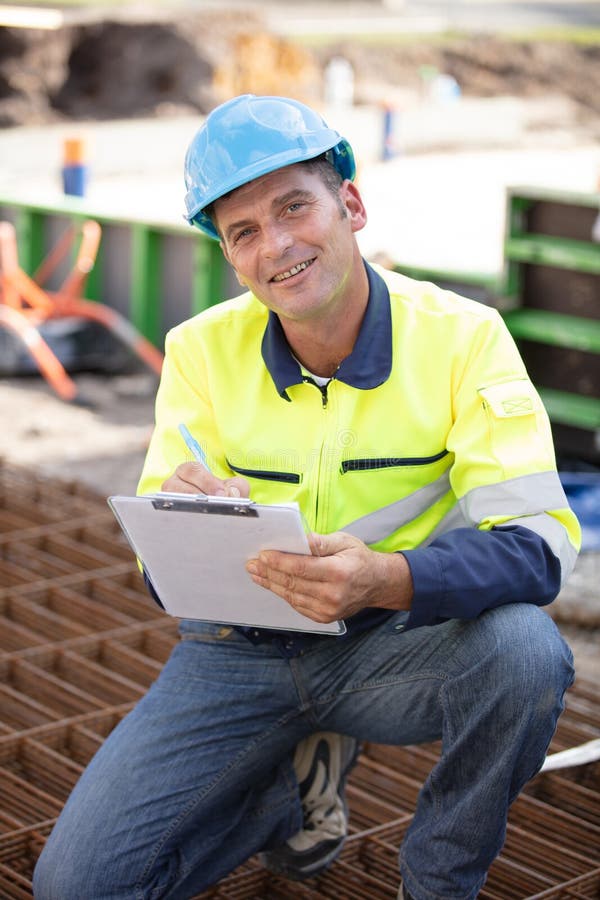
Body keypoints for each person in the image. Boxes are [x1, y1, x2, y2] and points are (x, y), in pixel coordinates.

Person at [33, 94, 579, 900]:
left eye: (295, 206)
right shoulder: (199, 352)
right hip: (236, 649)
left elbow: (540, 547)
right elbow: (159, 572)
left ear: (350, 205)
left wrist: (386, 578)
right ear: (230, 256)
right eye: (244, 232)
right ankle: (285, 795)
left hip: (389, 645)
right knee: (74, 888)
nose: (277, 246)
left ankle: (437, 882)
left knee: (527, 653)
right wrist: (189, 527)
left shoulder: (462, 339)